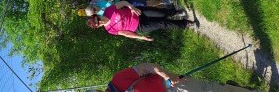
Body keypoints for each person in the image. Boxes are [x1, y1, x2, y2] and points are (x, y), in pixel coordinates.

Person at [103, 63, 263, 92]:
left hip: (173, 87)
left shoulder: (118, 80)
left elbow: (148, 66)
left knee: (216, 91)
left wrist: (169, 76)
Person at [86, 1, 193, 41]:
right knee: (162, 24)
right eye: (98, 24)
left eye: (98, 20)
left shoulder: (109, 11)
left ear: (97, 16)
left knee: (161, 13)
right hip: (139, 26)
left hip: (138, 13)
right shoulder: (110, 30)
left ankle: (175, 12)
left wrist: (131, 7)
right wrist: (141, 37)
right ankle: (185, 23)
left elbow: (123, 3)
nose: (100, 22)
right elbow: (126, 34)